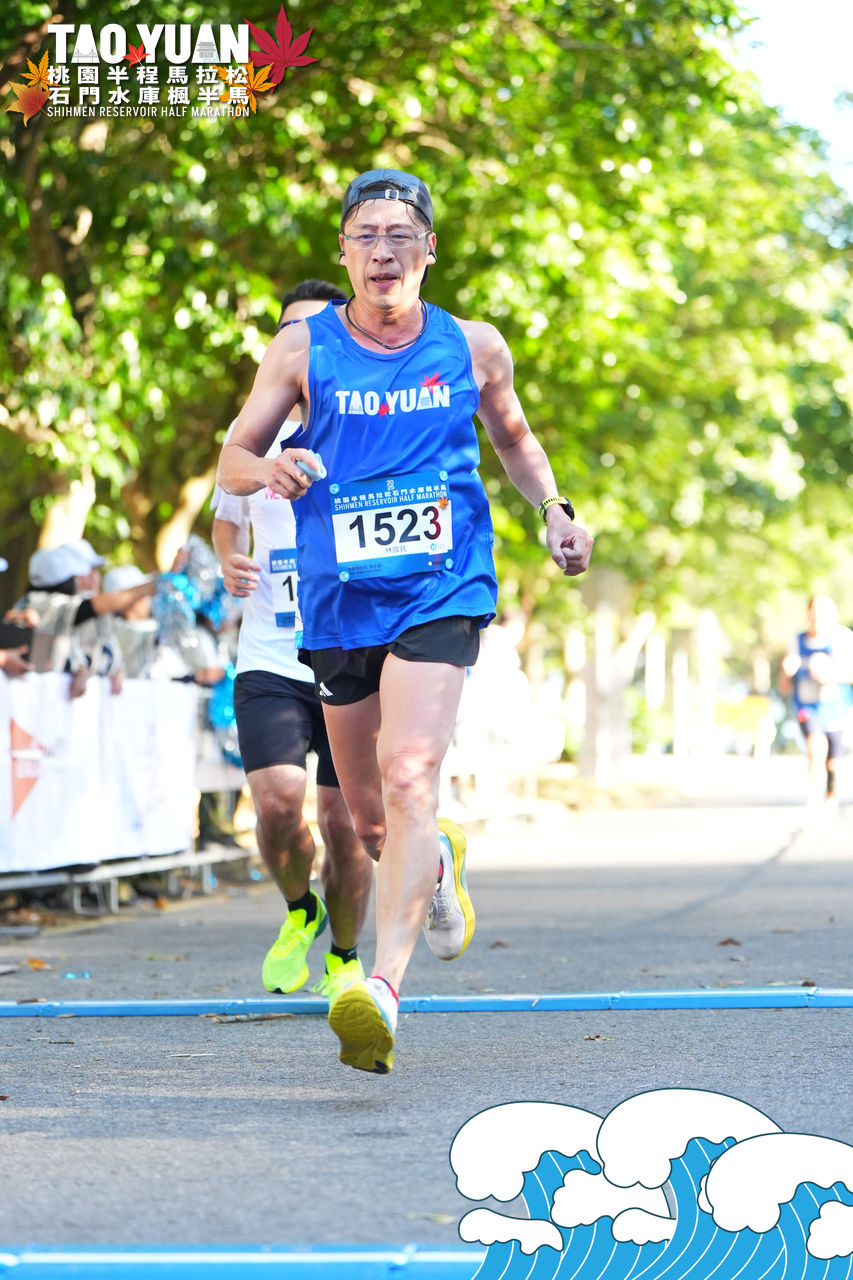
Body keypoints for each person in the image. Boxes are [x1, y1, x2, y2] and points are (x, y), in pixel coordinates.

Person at [217, 169, 594, 1074]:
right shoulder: (302, 349)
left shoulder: (473, 344)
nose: (382, 251)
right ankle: (434, 862)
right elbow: (232, 458)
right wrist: (270, 472)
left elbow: (513, 437)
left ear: (428, 249)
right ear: (344, 252)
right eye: (365, 236)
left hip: (441, 583)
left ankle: (381, 989)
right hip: (340, 597)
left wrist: (553, 510)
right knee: (372, 823)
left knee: (411, 771)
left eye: (399, 235)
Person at [211, 279, 374, 1003]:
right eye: (287, 331)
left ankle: (344, 955)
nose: (298, 343)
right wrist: (229, 559)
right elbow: (228, 509)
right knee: (278, 806)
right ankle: (300, 910)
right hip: (270, 657)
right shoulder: (254, 429)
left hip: (348, 654)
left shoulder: (366, 423)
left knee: (344, 826)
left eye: (311, 330)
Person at [13, 541, 158, 697]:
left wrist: (112, 669)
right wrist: (152, 585)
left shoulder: (72, 615)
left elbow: (97, 655)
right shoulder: (37, 603)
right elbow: (90, 607)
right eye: (90, 571)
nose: (95, 578)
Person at [778, 595, 853, 808]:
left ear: (833, 614)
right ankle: (813, 792)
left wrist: (830, 675)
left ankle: (831, 792)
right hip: (807, 705)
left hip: (837, 707)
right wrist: (786, 671)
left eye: (823, 612)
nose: (817, 616)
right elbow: (784, 685)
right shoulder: (796, 641)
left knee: (832, 759)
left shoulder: (843, 638)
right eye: (814, 611)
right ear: (808, 614)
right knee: (816, 744)